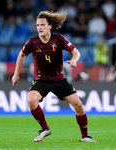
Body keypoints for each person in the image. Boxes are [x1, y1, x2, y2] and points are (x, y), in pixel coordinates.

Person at [12, 11, 96, 142]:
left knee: (78, 104)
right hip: (41, 79)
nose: (40, 28)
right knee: (31, 100)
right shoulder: (32, 42)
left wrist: (74, 60)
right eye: (38, 25)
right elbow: (21, 55)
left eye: (42, 25)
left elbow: (76, 52)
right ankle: (45, 129)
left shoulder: (59, 39)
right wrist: (16, 74)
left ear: (50, 26)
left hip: (58, 79)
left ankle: (85, 136)